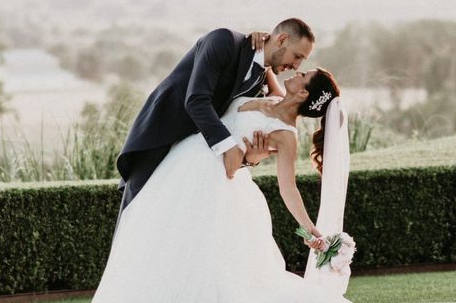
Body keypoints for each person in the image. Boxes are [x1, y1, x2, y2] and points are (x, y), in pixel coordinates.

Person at [94, 68, 352, 303]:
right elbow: (267, 65)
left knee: (203, 256)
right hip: (186, 160)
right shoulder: (275, 96)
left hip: (216, 183)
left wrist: (310, 229)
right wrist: (262, 48)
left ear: (304, 92)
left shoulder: (286, 135)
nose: (297, 71)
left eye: (303, 74)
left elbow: (288, 187)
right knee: (161, 236)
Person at [115, 18, 315, 214]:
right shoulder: (224, 41)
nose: (297, 66)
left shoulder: (260, 78)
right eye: (297, 56)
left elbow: (276, 107)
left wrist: (251, 159)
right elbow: (196, 100)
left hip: (194, 161)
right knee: (137, 215)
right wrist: (229, 148)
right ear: (281, 40)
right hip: (161, 136)